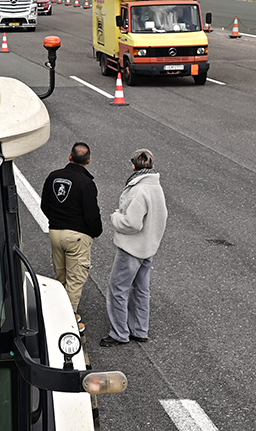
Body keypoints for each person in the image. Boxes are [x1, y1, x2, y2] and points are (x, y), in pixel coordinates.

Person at [100, 149, 168, 347]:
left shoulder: (139, 190)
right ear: (152, 165)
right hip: (148, 247)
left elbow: (133, 223)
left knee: (117, 289)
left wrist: (115, 218)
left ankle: (119, 333)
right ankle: (139, 329)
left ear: (133, 166)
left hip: (132, 249)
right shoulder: (156, 187)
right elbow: (162, 215)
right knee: (141, 289)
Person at [40, 142, 101, 322]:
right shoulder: (86, 183)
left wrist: (56, 220)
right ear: (88, 160)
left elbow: (45, 205)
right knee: (75, 280)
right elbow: (91, 215)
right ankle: (68, 319)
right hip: (76, 237)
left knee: (61, 277)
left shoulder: (53, 176)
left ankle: (58, 310)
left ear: (70, 156)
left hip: (55, 232)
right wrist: (95, 231)